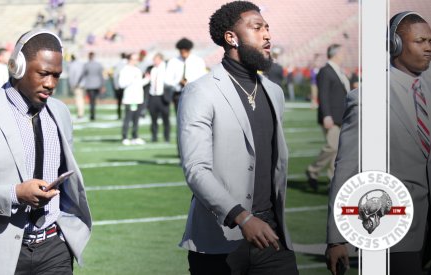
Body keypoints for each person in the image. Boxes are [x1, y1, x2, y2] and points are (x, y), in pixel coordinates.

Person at [0, 29, 92, 274]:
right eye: (43, 74)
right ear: (17, 68)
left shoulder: (61, 112)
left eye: (56, 76)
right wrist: (14, 194)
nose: (51, 84)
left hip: (54, 248)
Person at [178, 2, 298, 274]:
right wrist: (242, 217)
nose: (267, 35)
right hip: (221, 240)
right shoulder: (201, 91)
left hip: (272, 237)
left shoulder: (273, 92)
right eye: (257, 28)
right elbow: (196, 169)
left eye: (267, 28)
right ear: (231, 37)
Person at [326, 12, 431, 275]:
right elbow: (347, 168)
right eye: (420, 41)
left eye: (430, 40)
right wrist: (336, 237)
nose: (428, 47)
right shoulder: (367, 98)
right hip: (395, 226)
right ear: (395, 44)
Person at [305, 43, 349, 191]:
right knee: (332, 146)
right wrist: (327, 115)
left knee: (337, 150)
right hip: (331, 116)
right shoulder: (326, 71)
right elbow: (323, 95)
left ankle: (332, 179)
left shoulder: (338, 71)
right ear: (336, 54)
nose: (345, 55)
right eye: (343, 52)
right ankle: (313, 170)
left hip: (341, 116)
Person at [166, 37, 207, 113]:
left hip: (194, 93)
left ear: (189, 50)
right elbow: (167, 80)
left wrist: (190, 83)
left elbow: (203, 77)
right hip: (179, 94)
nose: (184, 53)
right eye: (182, 51)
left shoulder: (198, 61)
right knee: (180, 117)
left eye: (186, 51)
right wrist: (178, 82)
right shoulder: (173, 62)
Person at [119, 52, 148, 145]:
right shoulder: (125, 70)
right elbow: (121, 84)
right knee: (128, 118)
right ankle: (125, 137)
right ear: (130, 59)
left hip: (138, 97)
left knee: (136, 119)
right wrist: (131, 79)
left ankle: (135, 136)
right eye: (134, 59)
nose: (136, 61)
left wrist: (147, 79)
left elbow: (139, 83)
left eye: (137, 59)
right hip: (129, 98)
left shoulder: (137, 70)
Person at [147, 53, 170, 143]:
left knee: (165, 119)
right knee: (153, 118)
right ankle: (154, 136)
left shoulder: (167, 68)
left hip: (163, 97)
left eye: (156, 59)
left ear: (160, 59)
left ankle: (166, 137)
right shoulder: (151, 69)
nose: (154, 61)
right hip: (153, 96)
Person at [81, 51, 105, 121]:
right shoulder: (98, 64)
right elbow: (101, 75)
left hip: (89, 85)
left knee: (91, 101)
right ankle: (93, 114)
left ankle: (92, 114)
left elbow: (83, 74)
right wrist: (102, 84)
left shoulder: (86, 64)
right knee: (93, 100)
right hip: (97, 84)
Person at [67, 54, 86, 120]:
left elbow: (75, 75)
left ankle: (80, 114)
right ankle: (80, 113)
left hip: (77, 85)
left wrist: (74, 84)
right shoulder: (80, 64)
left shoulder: (73, 65)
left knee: (79, 99)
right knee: (79, 99)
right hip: (81, 84)